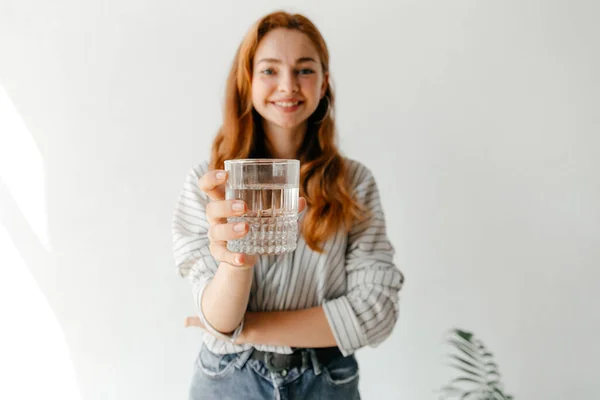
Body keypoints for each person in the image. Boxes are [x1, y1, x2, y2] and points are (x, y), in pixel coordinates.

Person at [172, 10, 405, 400]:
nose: (287, 85)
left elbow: (376, 313)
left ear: (324, 83)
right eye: (269, 70)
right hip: (229, 380)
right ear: (247, 80)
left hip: (327, 381)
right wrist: (235, 262)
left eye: (304, 70)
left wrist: (249, 328)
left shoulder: (354, 183)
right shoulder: (211, 184)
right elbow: (220, 316)